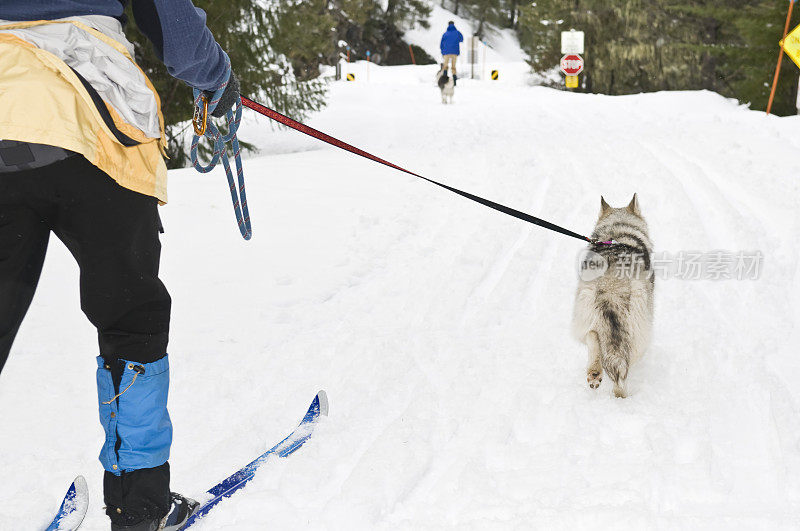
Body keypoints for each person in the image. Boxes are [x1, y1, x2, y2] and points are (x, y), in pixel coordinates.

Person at [0, 1, 240, 530]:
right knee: (132, 320)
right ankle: (140, 508)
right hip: (95, 113)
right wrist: (216, 77)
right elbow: (174, 32)